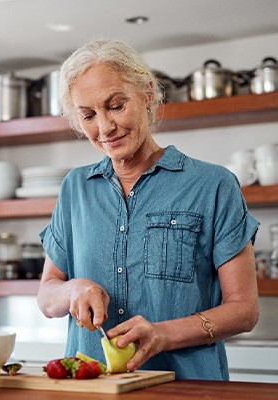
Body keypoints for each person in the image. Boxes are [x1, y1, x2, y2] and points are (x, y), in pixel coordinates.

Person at [37, 38, 259, 380]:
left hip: (187, 388)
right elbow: (47, 296)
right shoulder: (74, 189)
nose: (105, 127)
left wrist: (164, 334)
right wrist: (72, 289)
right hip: (93, 387)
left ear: (147, 94)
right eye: (88, 115)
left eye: (116, 105)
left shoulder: (214, 185)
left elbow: (244, 310)